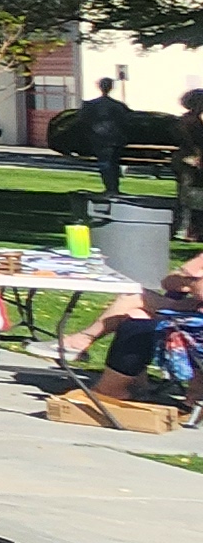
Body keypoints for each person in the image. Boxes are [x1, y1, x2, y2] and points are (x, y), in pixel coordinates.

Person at [58, 260, 202, 406]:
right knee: (137, 312)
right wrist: (188, 275)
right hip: (191, 313)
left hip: (196, 323)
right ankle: (128, 386)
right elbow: (168, 283)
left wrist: (193, 276)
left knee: (137, 319)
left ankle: (110, 387)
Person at [80, 78, 134, 196]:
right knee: (112, 164)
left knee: (106, 164)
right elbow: (128, 121)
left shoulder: (91, 105)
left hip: (101, 140)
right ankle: (113, 188)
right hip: (114, 140)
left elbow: (83, 121)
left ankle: (111, 188)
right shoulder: (118, 106)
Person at [174, 90, 202, 244]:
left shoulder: (189, 120)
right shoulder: (191, 122)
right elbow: (191, 143)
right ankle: (185, 229)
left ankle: (191, 229)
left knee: (190, 196)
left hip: (188, 161)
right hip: (189, 162)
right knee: (189, 196)